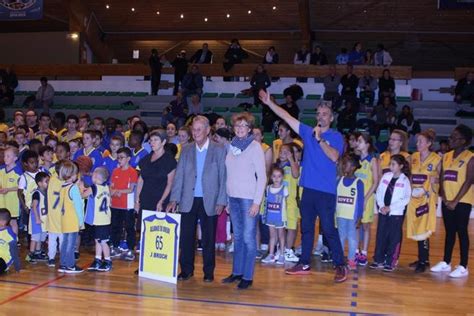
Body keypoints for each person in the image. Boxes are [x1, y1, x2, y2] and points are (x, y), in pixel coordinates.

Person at [259, 90, 348, 282]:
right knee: (306, 228)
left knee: (329, 229)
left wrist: (319, 140)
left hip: (326, 192)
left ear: (331, 118)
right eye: (318, 114)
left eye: (324, 114)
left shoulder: (336, 136)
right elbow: (286, 116)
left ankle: (341, 264)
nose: (320, 117)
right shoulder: (308, 132)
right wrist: (269, 103)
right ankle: (304, 262)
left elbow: (334, 157)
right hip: (308, 189)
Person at [167, 115, 227, 282]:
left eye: (199, 129)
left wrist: (222, 200)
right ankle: (186, 270)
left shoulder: (219, 149)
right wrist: (174, 199)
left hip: (210, 201)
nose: (196, 132)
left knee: (208, 239)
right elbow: (179, 176)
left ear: (208, 131)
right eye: (194, 129)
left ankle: (209, 272)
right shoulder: (186, 149)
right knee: (186, 238)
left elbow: (224, 176)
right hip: (188, 199)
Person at [221, 112, 266, 290]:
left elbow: (262, 177)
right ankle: (237, 272)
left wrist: (256, 202)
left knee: (248, 238)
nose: (240, 129)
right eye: (237, 126)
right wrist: (227, 200)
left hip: (248, 199)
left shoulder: (255, 147)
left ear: (249, 129)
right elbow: (228, 175)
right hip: (233, 198)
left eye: (243, 126)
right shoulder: (231, 146)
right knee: (237, 237)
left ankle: (248, 276)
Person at [431, 125, 473, 278]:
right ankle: (446, 262)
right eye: (451, 137)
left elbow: (469, 181)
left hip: (462, 201)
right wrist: (444, 196)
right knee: (449, 232)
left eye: (454, 137)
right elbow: (442, 176)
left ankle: (463, 265)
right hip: (447, 200)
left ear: (463, 141)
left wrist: (455, 200)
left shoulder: (470, 157)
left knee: (461, 231)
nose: (451, 139)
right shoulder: (447, 156)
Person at [406, 129, 441, 273]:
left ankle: (423, 260)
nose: (418, 143)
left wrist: (436, 180)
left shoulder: (437, 159)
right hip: (414, 199)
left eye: (421, 141)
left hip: (427, 199)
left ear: (429, 143)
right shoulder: (413, 157)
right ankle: (422, 258)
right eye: (417, 141)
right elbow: (408, 174)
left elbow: (442, 178)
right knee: (417, 227)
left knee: (424, 228)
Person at [370, 154, 411, 272]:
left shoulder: (405, 180)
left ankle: (390, 261)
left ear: (401, 166)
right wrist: (382, 206)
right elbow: (379, 192)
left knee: (393, 237)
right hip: (383, 212)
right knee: (381, 235)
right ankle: (378, 259)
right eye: (390, 164)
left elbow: (406, 198)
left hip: (396, 214)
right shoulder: (386, 176)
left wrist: (391, 208)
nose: (390, 166)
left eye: (393, 164)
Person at [135, 129, 176, 214]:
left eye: (156, 140)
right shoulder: (146, 159)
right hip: (145, 199)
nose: (152, 143)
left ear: (163, 142)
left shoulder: (170, 160)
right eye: (151, 140)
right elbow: (140, 180)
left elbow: (170, 183)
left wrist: (161, 201)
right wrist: (137, 200)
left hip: (160, 201)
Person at [354, 133, 380, 266]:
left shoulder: (372, 160)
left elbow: (376, 181)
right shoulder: (356, 161)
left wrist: (365, 198)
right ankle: (357, 251)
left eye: (360, 141)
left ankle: (364, 252)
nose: (357, 143)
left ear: (367, 145)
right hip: (356, 198)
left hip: (367, 198)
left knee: (365, 226)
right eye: (357, 141)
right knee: (357, 225)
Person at [336, 153, 364, 270]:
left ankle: (352, 259)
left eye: (345, 164)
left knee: (352, 238)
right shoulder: (339, 180)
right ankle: (340, 259)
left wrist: (359, 217)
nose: (343, 166)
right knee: (340, 237)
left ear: (353, 167)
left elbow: (360, 202)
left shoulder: (358, 183)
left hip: (352, 216)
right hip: (340, 215)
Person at [109, 147, 137, 260]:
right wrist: (113, 192)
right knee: (115, 226)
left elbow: (131, 189)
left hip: (127, 205)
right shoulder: (115, 171)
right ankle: (115, 247)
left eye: (122, 157)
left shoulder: (132, 172)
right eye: (118, 157)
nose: (119, 160)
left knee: (129, 227)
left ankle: (130, 249)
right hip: (115, 204)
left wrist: (119, 191)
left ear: (128, 158)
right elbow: (111, 187)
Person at [82, 167, 112, 272]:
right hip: (103, 219)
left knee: (103, 242)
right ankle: (98, 259)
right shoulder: (106, 187)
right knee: (98, 240)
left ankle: (108, 261)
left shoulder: (93, 188)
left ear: (95, 176)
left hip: (100, 220)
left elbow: (82, 195)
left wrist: (80, 186)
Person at [58, 160, 84, 273]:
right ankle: (70, 265)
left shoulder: (62, 187)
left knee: (65, 242)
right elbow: (78, 206)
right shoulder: (73, 188)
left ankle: (63, 264)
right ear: (72, 175)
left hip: (64, 220)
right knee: (71, 244)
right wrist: (81, 221)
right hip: (72, 220)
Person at [276, 144, 300, 263]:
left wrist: (291, 159)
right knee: (279, 227)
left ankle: (288, 250)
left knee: (291, 227)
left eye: (286, 152)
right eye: (281, 151)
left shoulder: (293, 167)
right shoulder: (277, 167)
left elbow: (296, 175)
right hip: (279, 202)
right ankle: (279, 249)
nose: (282, 154)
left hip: (290, 202)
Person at [261, 166, 288, 265]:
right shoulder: (267, 188)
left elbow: (287, 204)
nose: (276, 179)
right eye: (274, 176)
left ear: (282, 177)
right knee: (272, 236)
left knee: (281, 236)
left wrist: (286, 216)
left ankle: (281, 255)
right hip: (270, 217)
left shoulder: (284, 189)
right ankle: (271, 254)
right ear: (271, 177)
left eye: (279, 176)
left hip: (280, 217)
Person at [28, 172, 50, 264]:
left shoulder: (46, 192)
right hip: (36, 219)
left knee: (41, 237)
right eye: (46, 181)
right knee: (35, 237)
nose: (48, 183)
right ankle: (31, 254)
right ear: (39, 183)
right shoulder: (36, 193)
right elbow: (34, 206)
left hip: (43, 219)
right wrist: (37, 218)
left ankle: (38, 252)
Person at [46, 162, 64, 267]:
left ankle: (51, 258)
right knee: (62, 239)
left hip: (52, 215)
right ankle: (62, 258)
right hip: (61, 215)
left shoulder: (52, 179)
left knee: (52, 239)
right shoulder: (64, 182)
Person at [0, 208, 21, 273]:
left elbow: (14, 252)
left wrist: (17, 267)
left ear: (3, 222)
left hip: (4, 259)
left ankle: (5, 269)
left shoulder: (10, 234)